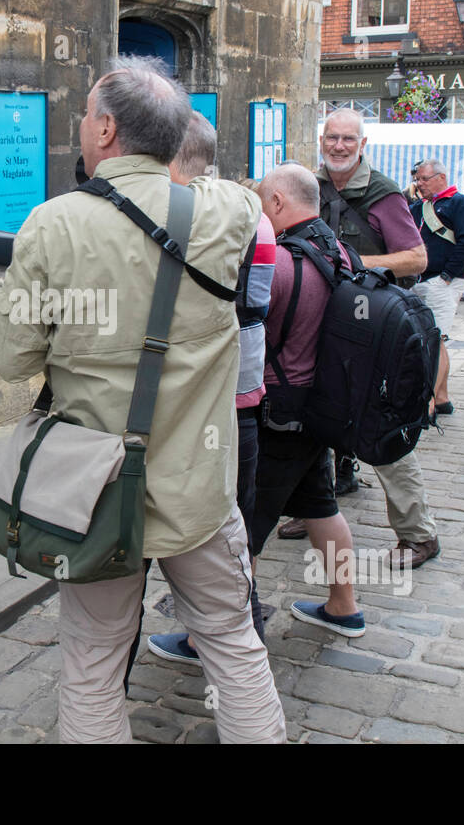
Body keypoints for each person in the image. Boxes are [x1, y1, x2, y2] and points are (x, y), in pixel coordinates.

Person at [0, 57, 285, 743]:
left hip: (91, 491)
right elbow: (236, 198)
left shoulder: (52, 223)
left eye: (87, 114)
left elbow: (13, 359)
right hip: (197, 486)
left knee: (92, 662)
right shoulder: (233, 210)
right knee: (233, 646)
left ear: (107, 127)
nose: (82, 126)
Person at [148, 116, 276, 665]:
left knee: (221, 528)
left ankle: (221, 635)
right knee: (227, 528)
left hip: (215, 404)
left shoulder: (212, 221)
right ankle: (220, 632)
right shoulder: (245, 216)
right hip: (238, 397)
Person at [287, 108, 439, 570]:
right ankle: (318, 499)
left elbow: (416, 259)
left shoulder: (383, 194)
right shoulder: (309, 185)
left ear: (362, 144)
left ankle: (419, 534)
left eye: (347, 139)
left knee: (378, 421)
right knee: (310, 413)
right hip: (320, 319)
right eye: (331, 137)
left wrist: (352, 267)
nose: (338, 146)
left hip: (373, 326)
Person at [253, 164, 364, 637]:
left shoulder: (279, 262)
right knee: (320, 506)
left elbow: (243, 332)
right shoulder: (343, 253)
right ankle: (344, 607)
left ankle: (218, 634)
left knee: (242, 529)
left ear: (277, 203)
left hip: (278, 415)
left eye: (262, 203)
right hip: (324, 411)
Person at [410, 158, 464, 418]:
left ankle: (428, 401)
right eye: (418, 179)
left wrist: (448, 275)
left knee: (434, 341)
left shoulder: (460, 203)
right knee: (435, 341)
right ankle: (442, 398)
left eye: (424, 179)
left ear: (441, 178)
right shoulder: (418, 207)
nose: (419, 184)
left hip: (442, 280)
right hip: (423, 280)